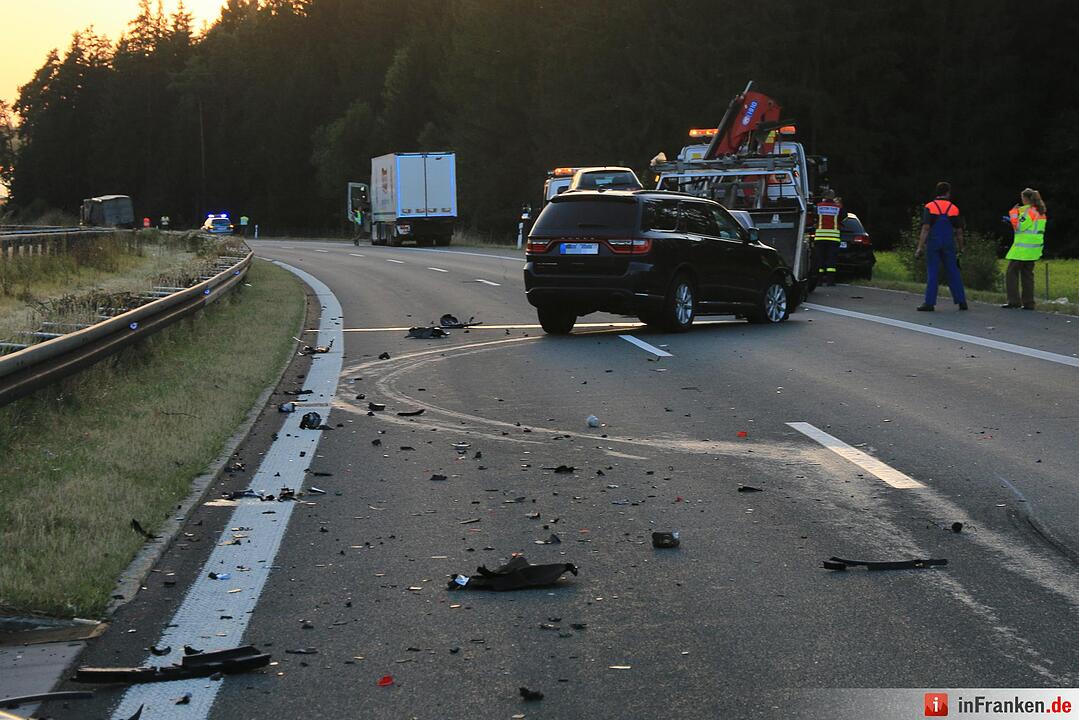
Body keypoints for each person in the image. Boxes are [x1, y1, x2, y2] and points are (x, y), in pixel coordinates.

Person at [915, 181, 967, 311]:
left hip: (934, 242)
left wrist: (920, 247)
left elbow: (926, 228)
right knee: (953, 271)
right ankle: (961, 301)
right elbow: (959, 231)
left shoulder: (930, 207)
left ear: (937, 192)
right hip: (949, 243)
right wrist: (961, 247)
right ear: (948, 193)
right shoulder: (954, 208)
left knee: (933, 272)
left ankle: (929, 303)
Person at [1002, 188, 1047, 310]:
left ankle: (1014, 301)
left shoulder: (1030, 211)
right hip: (1033, 249)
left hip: (1023, 249)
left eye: (1022, 198)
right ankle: (1029, 302)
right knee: (1027, 275)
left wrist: (1013, 214)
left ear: (1026, 199)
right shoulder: (1041, 211)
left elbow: (1020, 227)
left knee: (1011, 273)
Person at [813, 189, 845, 286]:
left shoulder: (818, 206)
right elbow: (844, 217)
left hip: (820, 238)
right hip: (833, 238)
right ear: (833, 197)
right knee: (831, 260)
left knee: (820, 259)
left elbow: (814, 218)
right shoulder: (838, 207)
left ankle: (819, 281)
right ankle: (830, 281)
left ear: (824, 197)